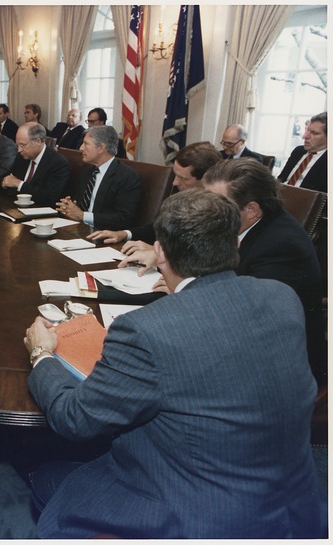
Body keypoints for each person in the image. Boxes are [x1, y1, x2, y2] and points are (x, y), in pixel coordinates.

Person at [24, 188, 324, 539]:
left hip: (200, 517)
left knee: (46, 479)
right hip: (295, 502)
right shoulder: (282, 297)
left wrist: (41, 353)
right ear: (234, 244)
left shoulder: (144, 330)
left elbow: (74, 419)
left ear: (160, 251)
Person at [202, 158, 325, 384]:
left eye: (216, 204)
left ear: (251, 210)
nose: (205, 211)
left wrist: (189, 288)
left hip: (280, 365)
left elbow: (244, 316)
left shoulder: (282, 247)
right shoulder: (237, 222)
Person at [88, 141, 221, 244]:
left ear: (206, 179)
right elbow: (159, 227)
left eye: (183, 178)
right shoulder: (179, 193)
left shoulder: (219, 212)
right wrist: (123, 234)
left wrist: (157, 253)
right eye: (175, 175)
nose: (174, 182)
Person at [57, 125, 141, 230]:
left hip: (105, 234)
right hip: (81, 229)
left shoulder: (126, 177)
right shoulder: (89, 171)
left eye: (86, 144)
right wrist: (70, 207)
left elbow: (123, 219)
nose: (80, 148)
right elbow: (81, 205)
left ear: (101, 147)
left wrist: (82, 215)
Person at [1, 122, 69, 207]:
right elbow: (10, 185)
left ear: (38, 141)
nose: (19, 150)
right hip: (16, 208)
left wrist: (19, 184)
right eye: (17, 145)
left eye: (23, 145)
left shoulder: (57, 163)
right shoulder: (22, 157)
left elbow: (50, 198)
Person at [277, 111, 327, 192]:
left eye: (314, 133)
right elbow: (281, 179)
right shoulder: (298, 151)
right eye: (307, 130)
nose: (305, 136)